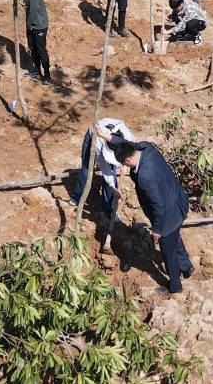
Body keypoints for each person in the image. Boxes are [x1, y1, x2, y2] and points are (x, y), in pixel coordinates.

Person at [111, 138, 193, 294]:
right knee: (174, 237)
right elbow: (126, 142)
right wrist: (107, 137)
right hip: (178, 202)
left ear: (127, 160)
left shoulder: (145, 177)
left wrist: (157, 229)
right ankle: (187, 267)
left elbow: (158, 206)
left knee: (167, 251)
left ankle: (175, 286)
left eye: (124, 164)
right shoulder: (147, 147)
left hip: (167, 214)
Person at [80, 118, 136, 253]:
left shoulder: (129, 139)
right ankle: (77, 197)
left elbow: (133, 156)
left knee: (113, 180)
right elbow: (105, 169)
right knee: (87, 169)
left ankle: (109, 209)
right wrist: (112, 185)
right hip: (93, 135)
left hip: (116, 146)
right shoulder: (99, 143)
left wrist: (125, 167)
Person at [25, 0, 52, 84]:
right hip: (32, 25)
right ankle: (37, 72)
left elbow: (33, 10)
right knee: (33, 48)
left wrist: (30, 25)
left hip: (38, 25)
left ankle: (47, 76)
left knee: (41, 50)